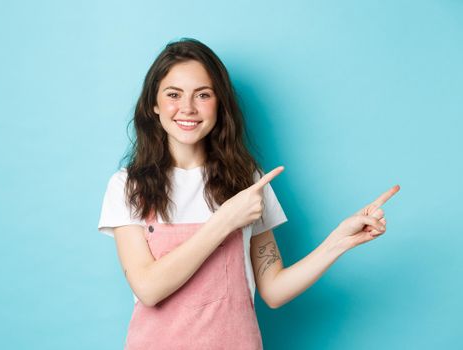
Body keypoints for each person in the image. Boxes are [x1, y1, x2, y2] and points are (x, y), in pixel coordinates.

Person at [97, 38, 400, 350]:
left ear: (220, 103)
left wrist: (339, 240)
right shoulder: (127, 186)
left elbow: (274, 290)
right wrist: (225, 220)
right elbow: (148, 288)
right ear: (154, 104)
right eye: (173, 94)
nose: (187, 107)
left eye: (203, 94)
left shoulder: (247, 181)